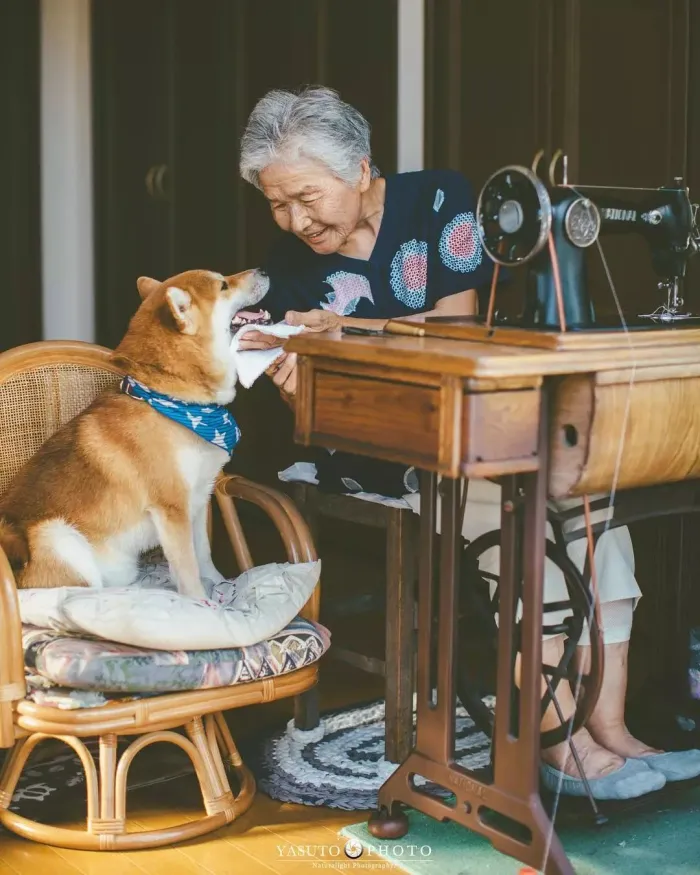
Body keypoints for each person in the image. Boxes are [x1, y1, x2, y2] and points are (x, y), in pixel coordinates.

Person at [237, 85, 700, 797]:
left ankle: (613, 728)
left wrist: (347, 332)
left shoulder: (438, 203)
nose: (295, 219)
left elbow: (453, 331)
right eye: (277, 203)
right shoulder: (286, 261)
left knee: (588, 499)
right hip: (375, 447)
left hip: (465, 423)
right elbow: (283, 368)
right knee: (508, 505)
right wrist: (289, 368)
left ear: (361, 169)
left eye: (306, 195)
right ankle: (558, 740)